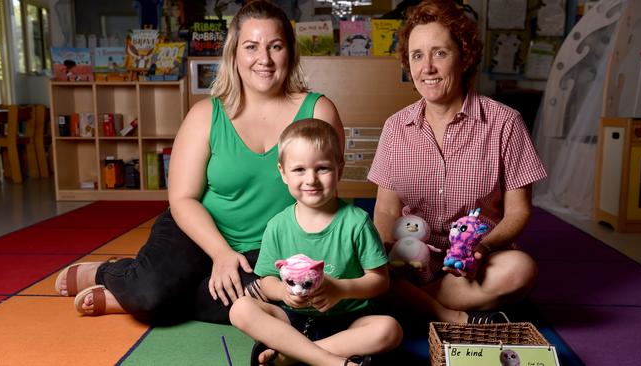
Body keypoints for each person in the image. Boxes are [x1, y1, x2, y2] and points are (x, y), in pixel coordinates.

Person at [54, 0, 344, 324]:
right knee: (150, 295)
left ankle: (162, 297)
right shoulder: (206, 114)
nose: (264, 59)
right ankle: (113, 274)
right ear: (234, 54)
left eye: (275, 46)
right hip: (197, 231)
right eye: (251, 47)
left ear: (290, 52)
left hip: (268, 249)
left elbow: (325, 193)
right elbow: (182, 198)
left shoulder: (319, 111)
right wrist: (220, 253)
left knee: (282, 300)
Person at [367, 0, 547, 324]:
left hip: (472, 264)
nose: (427, 68)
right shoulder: (395, 127)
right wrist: (386, 252)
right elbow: (385, 210)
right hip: (412, 257)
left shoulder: (505, 122)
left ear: (464, 57)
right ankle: (455, 318)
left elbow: (519, 211)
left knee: (521, 270)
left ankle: (413, 305)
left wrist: (483, 249)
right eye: (417, 55)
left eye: (440, 53)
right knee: (359, 260)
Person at [229, 119, 402, 366]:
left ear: (339, 168)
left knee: (389, 329)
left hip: (348, 319)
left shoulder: (357, 223)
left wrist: (341, 290)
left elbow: (380, 281)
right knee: (241, 309)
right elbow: (266, 281)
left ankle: (291, 356)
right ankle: (330, 361)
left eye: (322, 168)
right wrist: (283, 293)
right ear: (283, 172)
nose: (311, 179)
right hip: (292, 319)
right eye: (299, 170)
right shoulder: (277, 226)